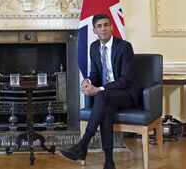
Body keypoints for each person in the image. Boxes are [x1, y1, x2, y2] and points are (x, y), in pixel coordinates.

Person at [59, 13, 140, 169]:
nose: (103, 29)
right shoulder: (94, 47)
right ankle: (109, 161)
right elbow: (96, 74)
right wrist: (87, 81)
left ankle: (83, 144)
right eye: (99, 26)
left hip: (126, 94)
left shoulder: (124, 47)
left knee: (101, 95)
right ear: (94, 30)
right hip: (108, 98)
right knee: (107, 111)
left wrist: (99, 89)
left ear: (111, 27)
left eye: (106, 25)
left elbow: (125, 81)